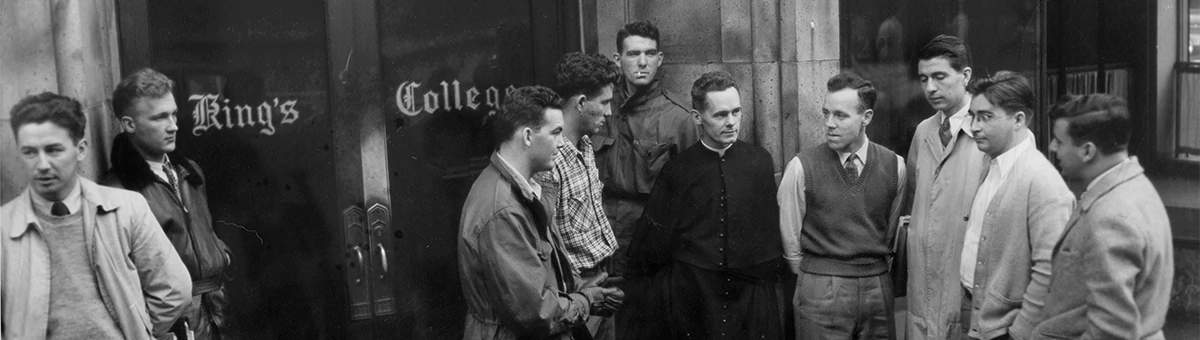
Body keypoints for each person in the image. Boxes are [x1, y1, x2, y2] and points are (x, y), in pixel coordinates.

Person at [1, 92, 192, 339]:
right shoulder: (4, 228)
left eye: (54, 150)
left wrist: (136, 331)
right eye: (29, 152)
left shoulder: (126, 208)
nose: (43, 164)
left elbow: (174, 288)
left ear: (81, 149)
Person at [624, 71, 784, 339]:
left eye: (736, 112)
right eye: (721, 115)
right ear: (698, 118)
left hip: (748, 295)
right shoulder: (678, 169)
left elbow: (768, 232)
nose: (731, 122)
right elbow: (652, 245)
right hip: (695, 296)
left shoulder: (759, 161)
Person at [458, 86, 624, 340]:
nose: (561, 142)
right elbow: (535, 313)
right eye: (556, 132)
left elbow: (542, 276)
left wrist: (582, 289)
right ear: (527, 136)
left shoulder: (525, 187)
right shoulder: (503, 209)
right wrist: (587, 300)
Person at [101, 68, 232, 339]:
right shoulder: (119, 190)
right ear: (129, 124)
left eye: (173, 114)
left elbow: (205, 231)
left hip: (216, 312)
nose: (173, 125)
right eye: (160, 117)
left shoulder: (189, 172)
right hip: (174, 324)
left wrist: (221, 254)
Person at [1032, 94, 1173, 339]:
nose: (1053, 148)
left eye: (1058, 140)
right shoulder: (1135, 186)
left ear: (1087, 151)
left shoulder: (1110, 218)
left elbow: (1111, 331)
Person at [779, 72, 906, 340]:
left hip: (877, 286)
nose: (829, 124)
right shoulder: (801, 167)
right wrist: (819, 277)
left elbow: (890, 232)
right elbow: (790, 241)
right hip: (820, 287)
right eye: (826, 113)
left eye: (840, 115)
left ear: (867, 117)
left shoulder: (895, 166)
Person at [595, 21, 699, 339]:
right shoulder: (599, 109)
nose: (642, 62)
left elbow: (693, 200)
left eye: (650, 53)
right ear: (617, 59)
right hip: (600, 241)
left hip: (649, 246)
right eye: (634, 53)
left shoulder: (679, 118)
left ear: (660, 59)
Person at [959, 72, 1073, 340]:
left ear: (1019, 120)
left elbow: (1051, 275)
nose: (974, 126)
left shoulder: (1042, 183)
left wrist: (1019, 333)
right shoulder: (990, 163)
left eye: (986, 117)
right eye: (972, 116)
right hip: (979, 319)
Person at [904, 35, 988, 340]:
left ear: (965, 76)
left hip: (965, 286)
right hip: (924, 290)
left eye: (939, 77)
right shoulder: (923, 131)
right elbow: (916, 198)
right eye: (924, 79)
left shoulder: (990, 133)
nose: (930, 88)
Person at [534, 52, 622, 340]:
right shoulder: (550, 161)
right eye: (605, 102)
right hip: (573, 294)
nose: (609, 112)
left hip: (600, 281)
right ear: (582, 103)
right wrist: (582, 294)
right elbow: (544, 245)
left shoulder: (585, 145)